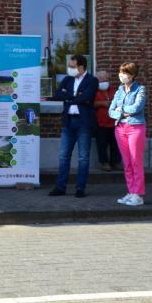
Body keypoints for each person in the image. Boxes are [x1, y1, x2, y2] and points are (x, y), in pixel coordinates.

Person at [49, 55, 98, 198]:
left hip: (84, 123)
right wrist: (75, 97)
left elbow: (87, 97)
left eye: (72, 66)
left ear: (82, 67)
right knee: (63, 156)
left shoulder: (92, 81)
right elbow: (57, 95)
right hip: (68, 122)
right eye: (69, 66)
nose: (70, 69)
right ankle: (60, 187)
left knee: (83, 158)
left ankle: (80, 188)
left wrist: (69, 96)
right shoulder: (67, 79)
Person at [109, 62, 147, 207]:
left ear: (132, 75)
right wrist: (120, 111)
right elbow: (111, 110)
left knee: (135, 161)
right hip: (120, 128)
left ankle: (138, 195)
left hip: (135, 128)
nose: (121, 75)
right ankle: (131, 191)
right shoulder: (119, 90)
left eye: (125, 73)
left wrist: (122, 109)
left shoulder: (140, 89)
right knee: (127, 163)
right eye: (120, 72)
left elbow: (137, 107)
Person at [94, 70, 121, 172]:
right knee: (102, 144)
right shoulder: (94, 91)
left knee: (115, 144)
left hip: (114, 122)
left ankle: (115, 162)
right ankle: (104, 163)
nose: (104, 81)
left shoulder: (114, 90)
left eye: (105, 79)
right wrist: (103, 103)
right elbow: (91, 104)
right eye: (101, 80)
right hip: (100, 123)